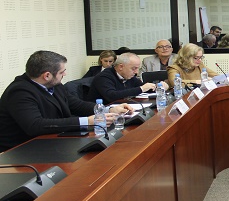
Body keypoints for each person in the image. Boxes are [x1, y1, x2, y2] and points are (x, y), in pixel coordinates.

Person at [0, 51, 133, 152]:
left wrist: (108, 109)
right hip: (22, 150)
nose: (65, 74)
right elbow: (35, 125)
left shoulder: (54, 85)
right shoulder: (20, 92)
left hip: (53, 140)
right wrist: (88, 121)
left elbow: (75, 104)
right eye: (62, 72)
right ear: (47, 75)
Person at [86, 53, 163, 103]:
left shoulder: (128, 75)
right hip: (102, 114)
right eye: (134, 68)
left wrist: (158, 87)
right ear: (121, 67)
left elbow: (143, 87)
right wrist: (141, 88)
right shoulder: (104, 77)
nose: (136, 72)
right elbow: (112, 96)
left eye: (137, 68)